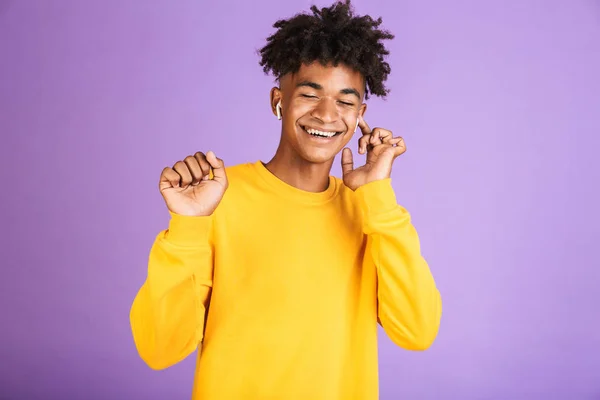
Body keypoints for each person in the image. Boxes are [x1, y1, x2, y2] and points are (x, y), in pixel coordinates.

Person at [129, 1, 442, 398]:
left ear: (360, 114)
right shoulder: (218, 197)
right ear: (278, 100)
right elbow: (159, 349)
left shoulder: (369, 210)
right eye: (310, 94)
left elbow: (417, 331)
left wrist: (377, 196)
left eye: (345, 101)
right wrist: (188, 226)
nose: (327, 114)